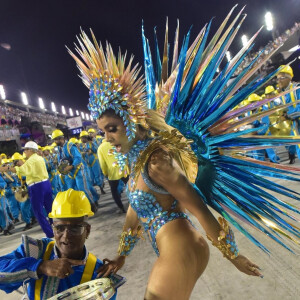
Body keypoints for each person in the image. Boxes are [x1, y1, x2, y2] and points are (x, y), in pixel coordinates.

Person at [69, 13, 300, 299]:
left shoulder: (157, 161)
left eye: (112, 129)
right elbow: (134, 212)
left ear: (129, 121)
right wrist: (122, 257)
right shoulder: (135, 159)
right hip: (171, 250)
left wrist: (233, 256)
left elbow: (198, 207)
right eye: (103, 131)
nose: (107, 138)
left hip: (182, 248)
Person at [0, 189, 118, 300]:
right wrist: (40, 267)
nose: (66, 236)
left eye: (75, 229)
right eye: (59, 228)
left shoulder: (99, 274)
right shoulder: (36, 251)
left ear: (87, 231)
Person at [2, 141, 54, 238]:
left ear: (30, 150)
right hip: (46, 184)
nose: (24, 152)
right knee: (50, 208)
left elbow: (21, 170)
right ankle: (56, 228)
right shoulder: (39, 158)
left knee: (38, 211)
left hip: (36, 186)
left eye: (25, 150)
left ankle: (50, 234)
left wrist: (8, 168)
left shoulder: (31, 161)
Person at [51, 129, 99, 211]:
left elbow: (78, 157)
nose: (55, 141)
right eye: (54, 140)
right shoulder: (59, 149)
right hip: (69, 173)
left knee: (82, 188)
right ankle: (81, 206)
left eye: (56, 139)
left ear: (61, 138)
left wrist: (72, 166)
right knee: (71, 190)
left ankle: (92, 204)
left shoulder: (70, 146)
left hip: (78, 170)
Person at [276, 65, 300, 164]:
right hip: (295, 126)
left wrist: (287, 115)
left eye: (281, 78)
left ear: (289, 78)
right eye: (277, 78)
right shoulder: (283, 95)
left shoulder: (296, 89)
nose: (279, 81)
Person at [98, 139, 128, 213]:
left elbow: (102, 163)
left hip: (112, 172)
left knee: (114, 191)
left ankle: (121, 208)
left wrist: (105, 173)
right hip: (123, 167)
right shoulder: (116, 141)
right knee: (131, 185)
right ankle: (136, 203)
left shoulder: (100, 148)